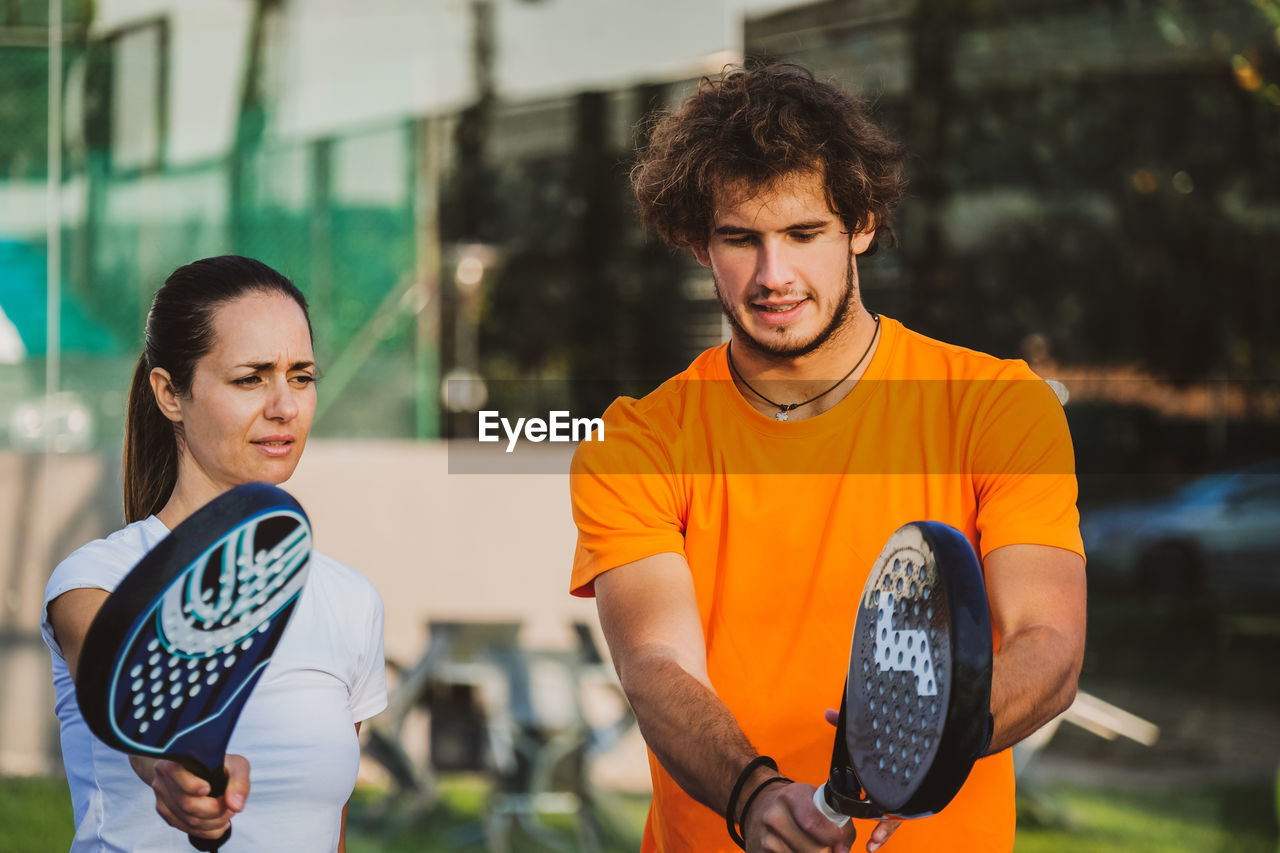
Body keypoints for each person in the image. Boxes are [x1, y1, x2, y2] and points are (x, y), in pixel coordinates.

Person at [569, 64, 1086, 853]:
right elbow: (655, 661)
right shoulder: (635, 442)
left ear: (862, 225)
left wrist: (926, 743)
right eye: (742, 238)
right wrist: (754, 794)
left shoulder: (997, 405)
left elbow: (1048, 645)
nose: (774, 276)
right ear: (700, 245)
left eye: (804, 234)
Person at [41, 256, 387, 851]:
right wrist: (175, 772)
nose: (285, 406)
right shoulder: (94, 581)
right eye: (250, 377)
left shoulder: (350, 600)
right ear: (170, 393)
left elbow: (331, 831)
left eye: (301, 377)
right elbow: (137, 717)